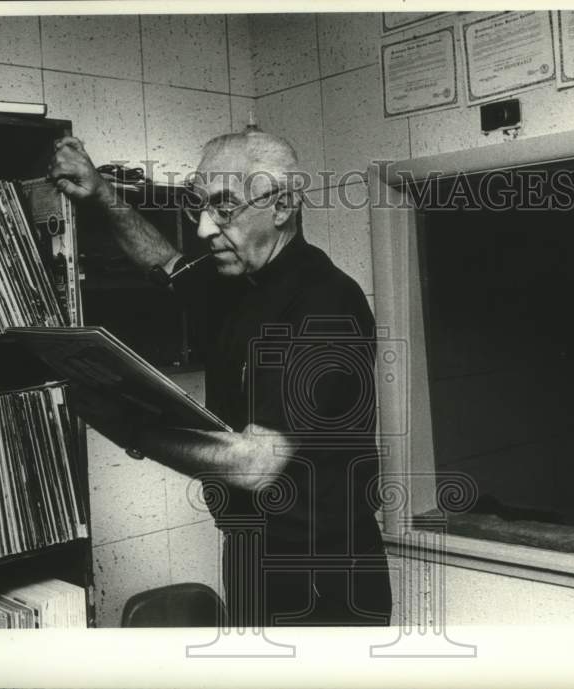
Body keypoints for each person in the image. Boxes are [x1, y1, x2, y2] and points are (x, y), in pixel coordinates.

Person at [49, 128, 392, 627]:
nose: (206, 228)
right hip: (251, 551)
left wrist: (131, 430)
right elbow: (165, 264)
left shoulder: (326, 303)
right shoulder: (237, 282)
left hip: (324, 575)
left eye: (225, 208)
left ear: (282, 206)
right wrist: (101, 193)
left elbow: (256, 464)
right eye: (200, 207)